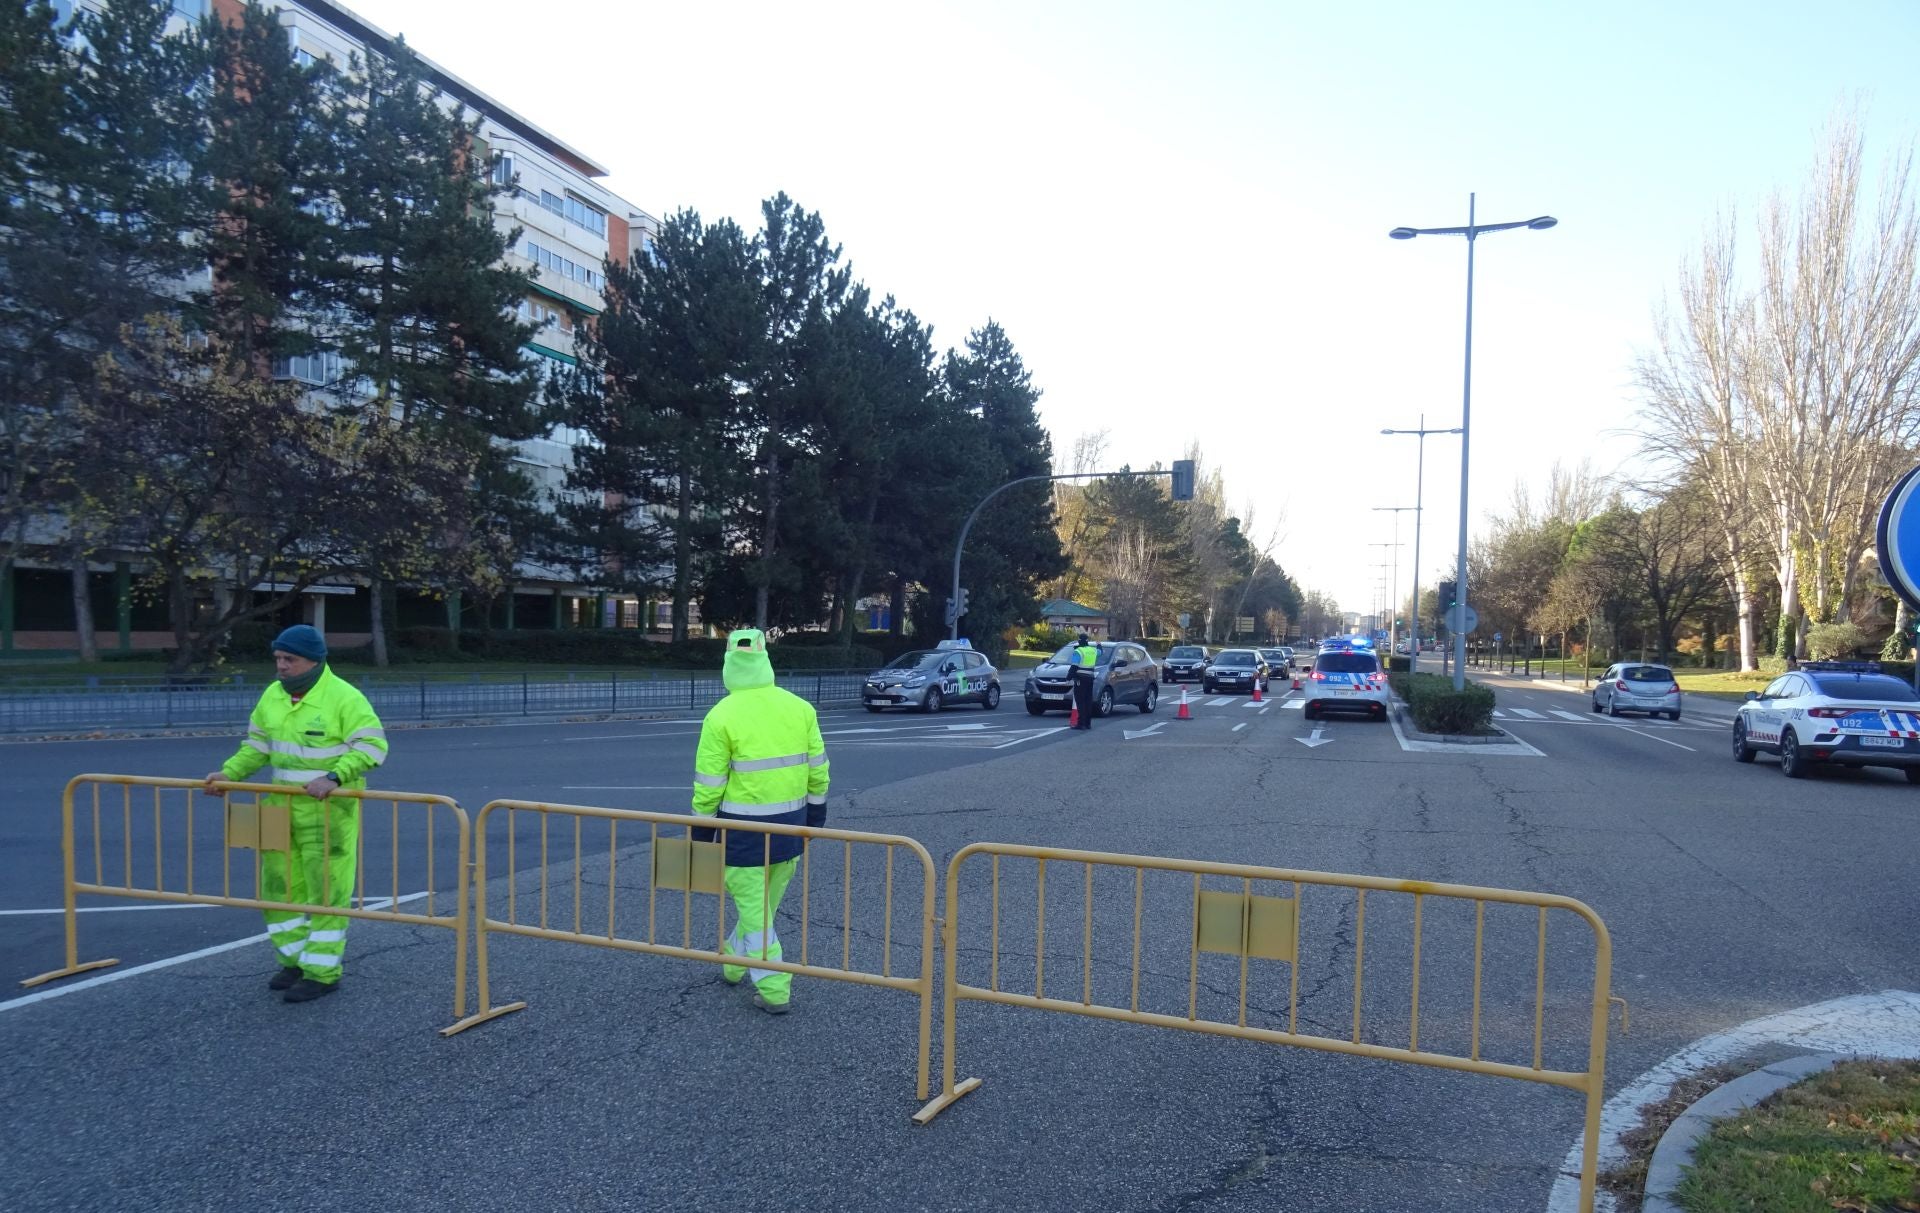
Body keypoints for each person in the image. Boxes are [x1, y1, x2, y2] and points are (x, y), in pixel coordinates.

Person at [202, 624, 388, 1003]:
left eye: (290, 659)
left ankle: (322, 972)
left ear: (315, 661)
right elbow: (257, 746)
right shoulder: (272, 695)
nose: (281, 666)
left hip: (327, 812)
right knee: (276, 890)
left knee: (326, 893)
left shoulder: (343, 698)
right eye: (278, 659)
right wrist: (229, 774)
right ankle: (293, 961)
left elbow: (373, 746)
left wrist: (335, 776)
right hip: (276, 808)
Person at [690, 628, 829, 1014]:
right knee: (760, 909)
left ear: (729, 666)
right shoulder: (800, 708)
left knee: (755, 910)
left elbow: (709, 785)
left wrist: (702, 830)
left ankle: (774, 988)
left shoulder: (720, 717)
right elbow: (819, 770)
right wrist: (816, 815)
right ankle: (734, 964)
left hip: (744, 835)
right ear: (766, 660)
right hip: (792, 829)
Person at [1070, 632, 1099, 730]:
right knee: (1087, 700)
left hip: (1080, 679)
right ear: (1087, 641)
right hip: (1090, 678)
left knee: (1080, 701)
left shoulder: (1078, 651)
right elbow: (1100, 651)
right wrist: (1099, 644)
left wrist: (1069, 677)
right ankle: (1087, 723)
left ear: (1079, 641)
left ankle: (1081, 723)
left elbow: (1074, 666)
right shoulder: (1093, 650)